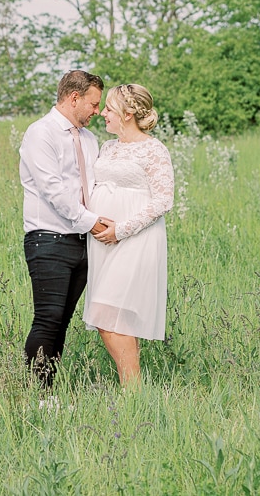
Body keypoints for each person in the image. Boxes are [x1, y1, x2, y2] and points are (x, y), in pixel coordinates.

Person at [19, 70, 112, 389]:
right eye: (94, 104)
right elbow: (53, 191)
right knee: (48, 318)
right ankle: (38, 396)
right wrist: (95, 223)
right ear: (75, 98)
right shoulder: (40, 133)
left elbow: (97, 187)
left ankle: (47, 391)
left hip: (84, 242)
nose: (97, 112)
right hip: (48, 239)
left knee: (62, 322)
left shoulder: (88, 139)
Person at [83, 83, 174, 386]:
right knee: (113, 318)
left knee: (106, 313)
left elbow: (163, 200)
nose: (103, 114)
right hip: (103, 242)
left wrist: (120, 230)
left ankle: (133, 391)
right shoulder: (108, 147)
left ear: (128, 113)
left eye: (108, 108)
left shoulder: (154, 149)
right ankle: (133, 394)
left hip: (136, 238)